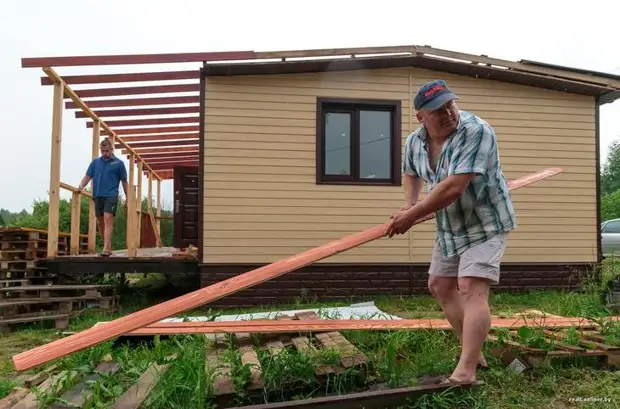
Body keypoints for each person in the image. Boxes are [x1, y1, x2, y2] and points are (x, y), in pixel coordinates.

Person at [385, 79, 517, 386]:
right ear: (421, 117)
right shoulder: (415, 142)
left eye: (450, 105)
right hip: (450, 223)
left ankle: (466, 370)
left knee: (470, 286)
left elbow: (454, 187)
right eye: (437, 110)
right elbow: (410, 171)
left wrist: (411, 217)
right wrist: (409, 204)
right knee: (440, 285)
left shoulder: (476, 131)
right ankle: (475, 351)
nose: (448, 113)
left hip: (486, 221)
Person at [77, 138, 128, 257]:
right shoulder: (95, 163)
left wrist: (128, 198)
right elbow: (88, 176)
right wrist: (81, 186)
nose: (104, 153)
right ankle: (108, 246)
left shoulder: (118, 164)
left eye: (106, 151)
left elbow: (124, 182)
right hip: (98, 195)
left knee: (107, 217)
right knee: (100, 222)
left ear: (111, 149)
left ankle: (106, 247)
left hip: (111, 195)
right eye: (102, 151)